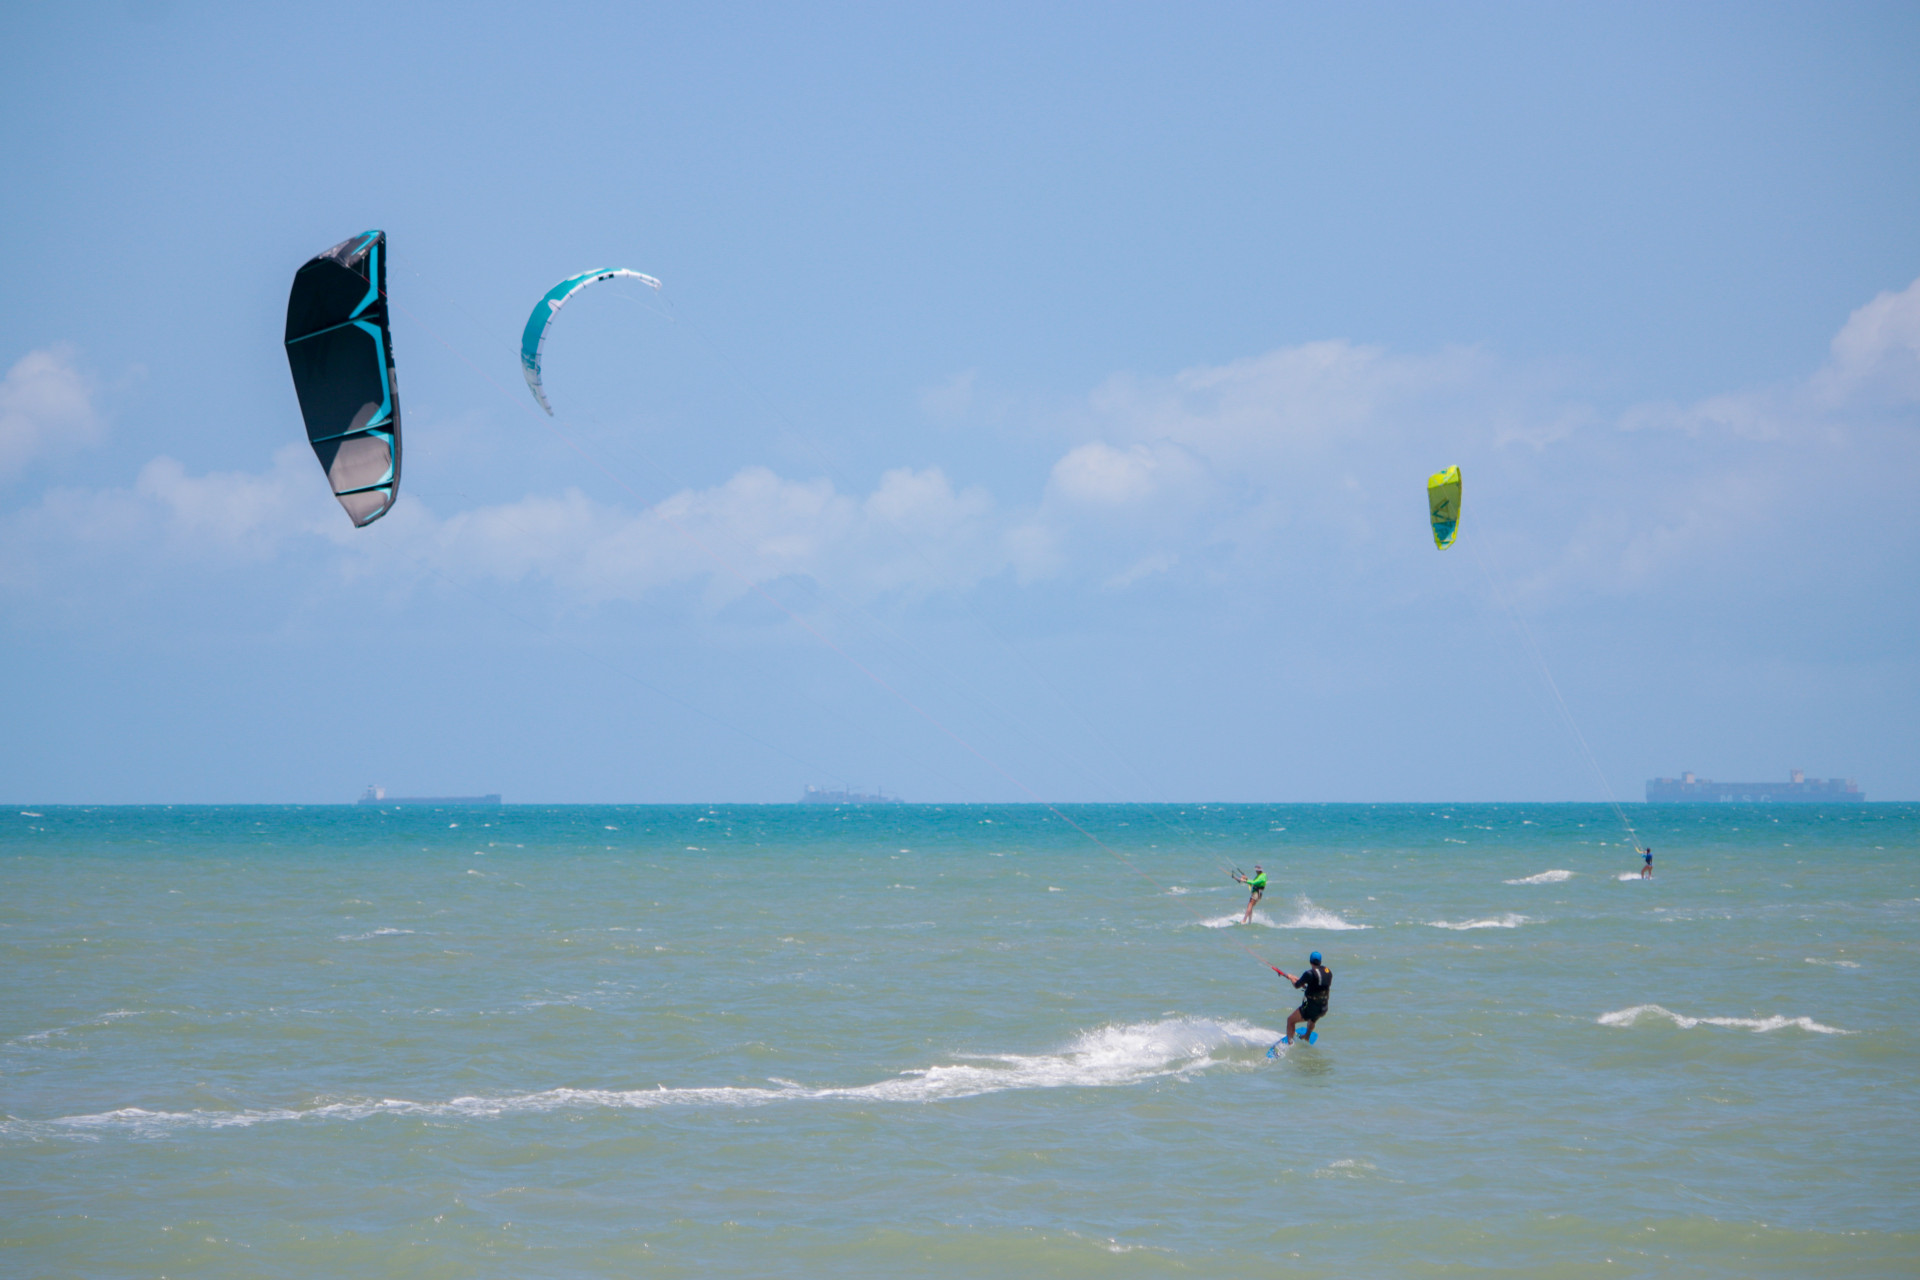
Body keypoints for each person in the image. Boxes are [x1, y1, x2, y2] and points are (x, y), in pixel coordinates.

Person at [1272, 952, 1332, 1045]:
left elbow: (1297, 985)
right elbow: (1316, 984)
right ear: (1320, 961)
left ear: (1310, 961)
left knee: (1290, 1020)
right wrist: (1299, 980)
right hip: (1323, 1007)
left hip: (1311, 1008)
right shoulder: (1328, 971)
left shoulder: (1309, 973)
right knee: (1312, 1019)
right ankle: (1307, 1036)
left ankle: (1290, 1044)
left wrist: (1291, 978)